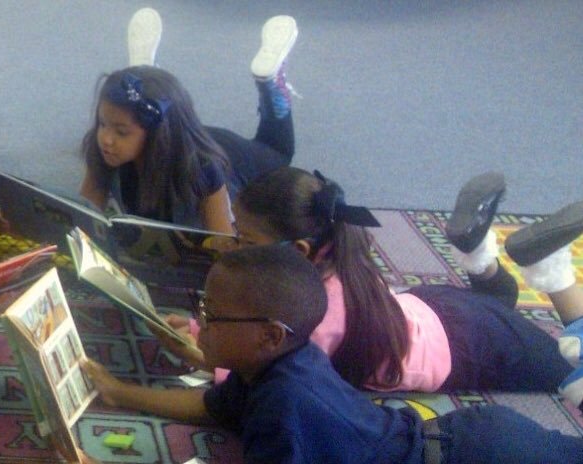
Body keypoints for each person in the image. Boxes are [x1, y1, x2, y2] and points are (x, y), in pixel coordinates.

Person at [81, 245, 583, 464]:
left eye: (211, 314)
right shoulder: (273, 365)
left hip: (482, 455)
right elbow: (211, 405)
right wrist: (119, 392)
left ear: (270, 336)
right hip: (467, 435)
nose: (200, 324)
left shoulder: (286, 406)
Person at [158, 168, 578, 401]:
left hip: (463, 346)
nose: (233, 247)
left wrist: (205, 356)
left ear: (300, 249)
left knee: (569, 367)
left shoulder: (317, 319)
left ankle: (551, 269)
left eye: (245, 241)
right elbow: (251, 331)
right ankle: (479, 258)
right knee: (498, 304)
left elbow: (268, 382)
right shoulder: (325, 260)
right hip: (437, 310)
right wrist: (198, 330)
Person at [79, 9, 299, 233]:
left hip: (230, 153)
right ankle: (146, 79)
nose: (106, 139)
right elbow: (83, 216)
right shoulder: (106, 147)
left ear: (156, 134)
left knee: (280, 153)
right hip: (175, 132)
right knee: (149, 116)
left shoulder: (203, 168)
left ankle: (271, 84)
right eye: (102, 123)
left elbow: (222, 240)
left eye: (121, 132)